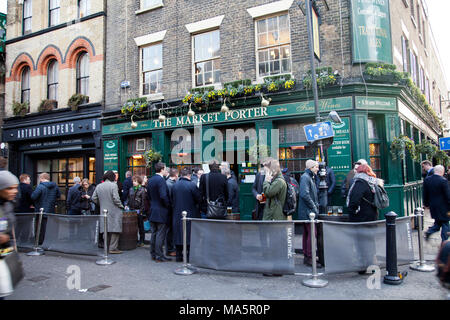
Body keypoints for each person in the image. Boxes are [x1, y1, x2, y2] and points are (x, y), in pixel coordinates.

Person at [346, 164, 382, 274]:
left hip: (361, 217)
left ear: (360, 171)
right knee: (370, 241)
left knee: (360, 242)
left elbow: (354, 200)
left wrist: (352, 211)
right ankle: (372, 264)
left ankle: (363, 266)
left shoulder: (360, 182)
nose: (355, 171)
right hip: (372, 215)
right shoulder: (373, 181)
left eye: (357, 170)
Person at [172, 167, 202, 262]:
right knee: (189, 235)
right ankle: (188, 257)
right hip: (190, 213)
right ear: (189, 175)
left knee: (178, 234)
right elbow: (199, 199)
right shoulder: (192, 185)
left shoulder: (175, 185)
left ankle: (178, 256)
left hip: (177, 213)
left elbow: (172, 199)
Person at [91, 171, 124, 254]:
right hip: (114, 210)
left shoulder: (99, 186)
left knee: (105, 229)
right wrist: (121, 206)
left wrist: (101, 203)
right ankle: (113, 248)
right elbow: (116, 199)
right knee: (115, 230)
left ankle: (106, 246)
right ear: (112, 177)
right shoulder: (113, 185)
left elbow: (93, 198)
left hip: (103, 210)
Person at [0, 171, 20, 299]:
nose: (15, 191)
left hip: (3, 251)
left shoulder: (7, 204)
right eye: (10, 188)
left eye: (15, 188)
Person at [147, 162, 171, 262]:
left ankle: (153, 254)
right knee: (160, 234)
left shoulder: (151, 180)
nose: (166, 171)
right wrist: (168, 205)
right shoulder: (161, 180)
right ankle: (159, 256)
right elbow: (163, 196)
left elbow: (148, 195)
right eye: (165, 169)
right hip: (161, 210)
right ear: (161, 169)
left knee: (154, 233)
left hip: (152, 209)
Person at [298, 160, 320, 267]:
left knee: (308, 233)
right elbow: (304, 194)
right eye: (316, 167)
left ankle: (307, 256)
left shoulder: (308, 177)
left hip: (306, 210)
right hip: (308, 211)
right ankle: (309, 257)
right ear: (311, 168)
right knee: (312, 233)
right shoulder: (306, 177)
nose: (318, 169)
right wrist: (314, 206)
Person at [31, 173, 61, 245]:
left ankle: (40, 241)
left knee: (41, 227)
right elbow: (58, 195)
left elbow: (33, 197)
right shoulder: (55, 186)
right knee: (50, 227)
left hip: (41, 210)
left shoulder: (40, 187)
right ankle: (50, 240)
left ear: (42, 178)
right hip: (51, 210)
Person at [423, 165, 450, 242]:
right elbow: (448, 195)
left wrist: (426, 204)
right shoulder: (443, 181)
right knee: (445, 223)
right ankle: (444, 241)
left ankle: (429, 232)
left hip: (433, 206)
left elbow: (425, 194)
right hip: (444, 207)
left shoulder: (427, 180)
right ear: (442, 172)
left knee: (438, 223)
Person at [127, 175, 148, 247]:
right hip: (132, 209)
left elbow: (143, 201)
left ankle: (142, 240)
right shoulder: (131, 189)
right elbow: (129, 198)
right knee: (133, 226)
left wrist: (141, 211)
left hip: (139, 210)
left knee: (140, 226)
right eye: (133, 181)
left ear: (139, 182)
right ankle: (134, 239)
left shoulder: (142, 190)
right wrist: (127, 205)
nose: (134, 182)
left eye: (135, 181)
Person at [165, 168, 178, 257]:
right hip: (170, 210)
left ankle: (170, 249)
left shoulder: (169, 183)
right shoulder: (170, 184)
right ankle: (170, 250)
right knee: (170, 231)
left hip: (170, 210)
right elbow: (170, 198)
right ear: (176, 175)